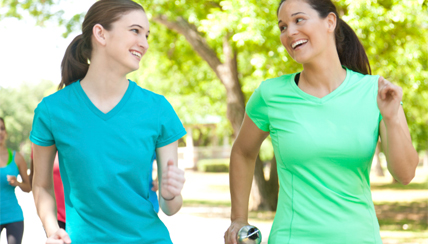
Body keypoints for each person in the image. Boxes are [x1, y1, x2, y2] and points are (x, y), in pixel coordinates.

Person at [224, 0, 419, 243]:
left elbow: (405, 174)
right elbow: (242, 151)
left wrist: (391, 118)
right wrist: (238, 219)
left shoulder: (376, 92)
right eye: (282, 27)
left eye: (299, 20)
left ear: (330, 22)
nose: (290, 32)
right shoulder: (270, 94)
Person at [30, 1, 186, 243]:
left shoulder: (158, 109)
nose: (144, 43)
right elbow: (41, 186)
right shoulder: (52, 111)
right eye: (135, 31)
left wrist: (170, 195)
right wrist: (53, 230)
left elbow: (170, 207)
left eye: (146, 35)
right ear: (100, 34)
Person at [0, 117, 32, 244]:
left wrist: (17, 183)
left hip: (13, 215)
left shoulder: (16, 157)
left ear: (6, 133)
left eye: (2, 128)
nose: (0, 132)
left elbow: (28, 188)